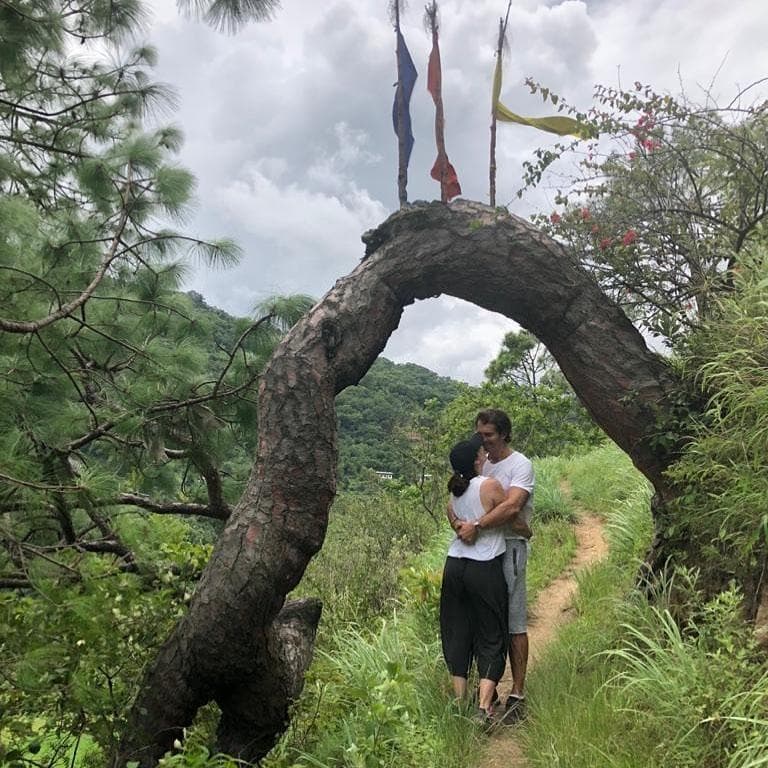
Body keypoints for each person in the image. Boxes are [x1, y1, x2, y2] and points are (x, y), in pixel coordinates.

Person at [455, 409, 534, 723]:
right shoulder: (482, 462)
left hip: (510, 549)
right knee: (485, 621)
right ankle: (488, 692)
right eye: (480, 435)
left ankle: (517, 693)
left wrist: (477, 522)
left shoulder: (520, 465)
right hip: (483, 551)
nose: (483, 440)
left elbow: (514, 505)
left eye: (488, 435)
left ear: (503, 434)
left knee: (514, 621)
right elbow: (464, 496)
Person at [440, 433, 508, 726]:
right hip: (485, 567)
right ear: (477, 459)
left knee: (458, 630)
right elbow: (508, 513)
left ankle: (458, 704)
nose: (485, 456)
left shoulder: (452, 497)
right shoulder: (489, 486)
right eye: (482, 453)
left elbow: (456, 525)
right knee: (492, 632)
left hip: (454, 566)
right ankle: (483, 708)